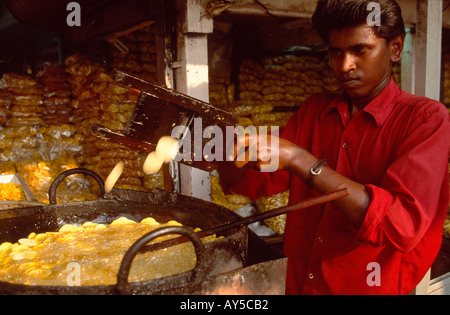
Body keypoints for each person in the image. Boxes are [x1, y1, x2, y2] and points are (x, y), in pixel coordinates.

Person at [218, 0, 450, 294]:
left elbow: (401, 226)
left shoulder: (424, 119)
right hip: (300, 284)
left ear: (395, 49)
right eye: (336, 52)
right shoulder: (316, 110)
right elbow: (260, 181)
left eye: (360, 50)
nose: (345, 65)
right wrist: (226, 153)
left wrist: (302, 160)